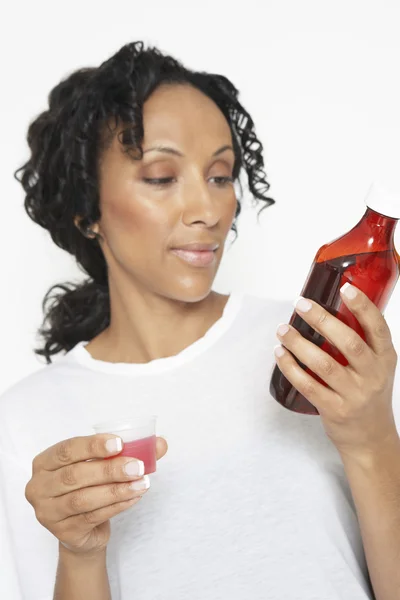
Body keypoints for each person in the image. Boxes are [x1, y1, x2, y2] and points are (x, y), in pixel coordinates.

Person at [1, 40, 400, 600]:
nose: (209, 210)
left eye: (220, 175)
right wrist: (80, 552)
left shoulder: (310, 349)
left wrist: (373, 439)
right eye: (162, 178)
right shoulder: (27, 420)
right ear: (86, 209)